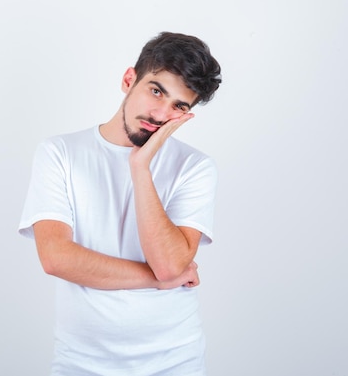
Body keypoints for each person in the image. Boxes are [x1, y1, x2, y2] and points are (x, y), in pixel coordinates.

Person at [18, 32, 222, 376]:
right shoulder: (59, 153)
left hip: (173, 362)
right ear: (130, 80)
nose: (160, 114)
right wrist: (156, 281)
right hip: (80, 363)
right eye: (156, 91)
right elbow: (55, 258)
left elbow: (171, 266)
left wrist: (140, 169)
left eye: (178, 106)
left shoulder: (195, 167)